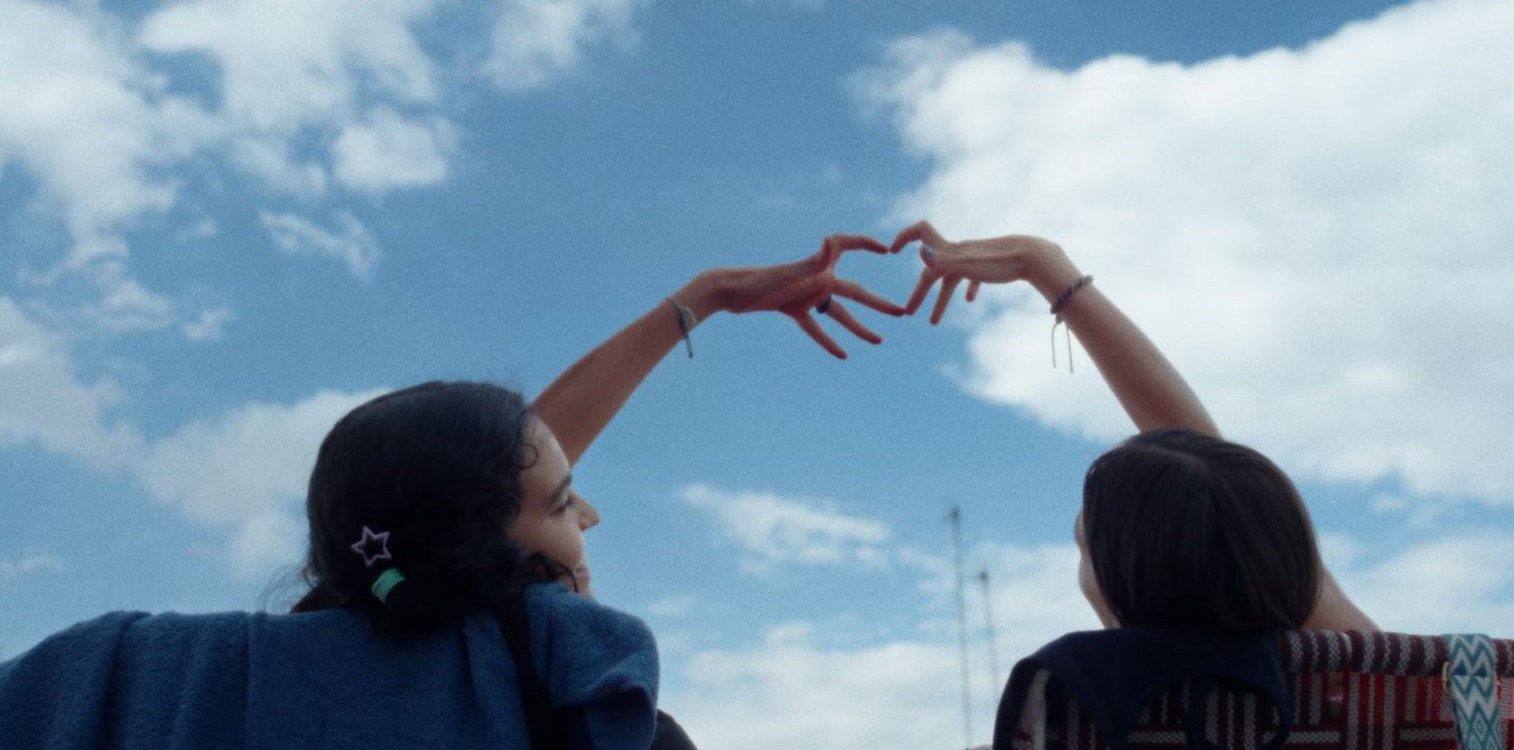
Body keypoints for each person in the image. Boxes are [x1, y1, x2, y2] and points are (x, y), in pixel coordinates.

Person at [0, 235, 903, 750]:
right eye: (565, 503)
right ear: (484, 555)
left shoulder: (155, 682)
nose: (589, 514)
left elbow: (477, 486)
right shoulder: (591, 710)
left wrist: (695, 302)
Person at [887, 222, 1376, 749]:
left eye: (1083, 537)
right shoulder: (1377, 696)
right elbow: (1217, 494)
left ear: (1114, 580)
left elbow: (1211, 489)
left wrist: (1046, 267)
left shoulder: (1076, 728)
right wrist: (1049, 268)